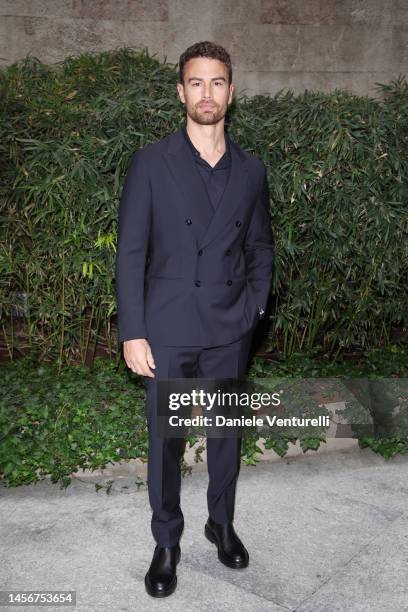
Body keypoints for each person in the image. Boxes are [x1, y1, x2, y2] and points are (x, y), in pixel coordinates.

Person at [115, 40, 274, 598]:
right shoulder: (151, 163)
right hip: (168, 327)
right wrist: (133, 330)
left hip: (230, 324)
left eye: (218, 82)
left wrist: (254, 307)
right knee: (167, 439)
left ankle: (221, 523)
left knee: (226, 433)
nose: (208, 93)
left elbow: (260, 249)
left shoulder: (251, 171)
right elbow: (131, 251)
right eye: (196, 83)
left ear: (232, 91)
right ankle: (167, 541)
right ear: (181, 91)